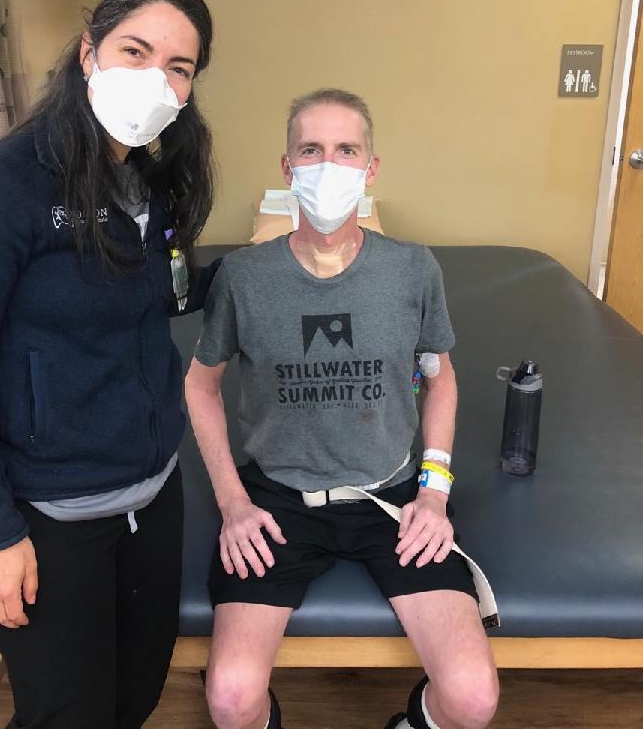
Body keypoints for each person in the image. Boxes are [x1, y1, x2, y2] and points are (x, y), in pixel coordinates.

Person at [0, 0, 219, 729]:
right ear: (88, 53)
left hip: (153, 496)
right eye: (135, 51)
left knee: (137, 696)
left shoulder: (147, 182)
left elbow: (162, 294)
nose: (155, 79)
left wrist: (280, 267)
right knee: (68, 716)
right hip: (52, 517)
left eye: (178, 67)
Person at [185, 89, 499, 729]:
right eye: (312, 150)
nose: (329, 165)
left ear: (370, 168)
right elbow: (200, 385)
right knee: (229, 700)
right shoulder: (244, 278)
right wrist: (232, 502)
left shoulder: (413, 270)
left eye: (346, 150)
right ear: (287, 167)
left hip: (392, 498)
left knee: (472, 699)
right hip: (277, 501)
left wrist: (434, 492)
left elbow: (440, 380)